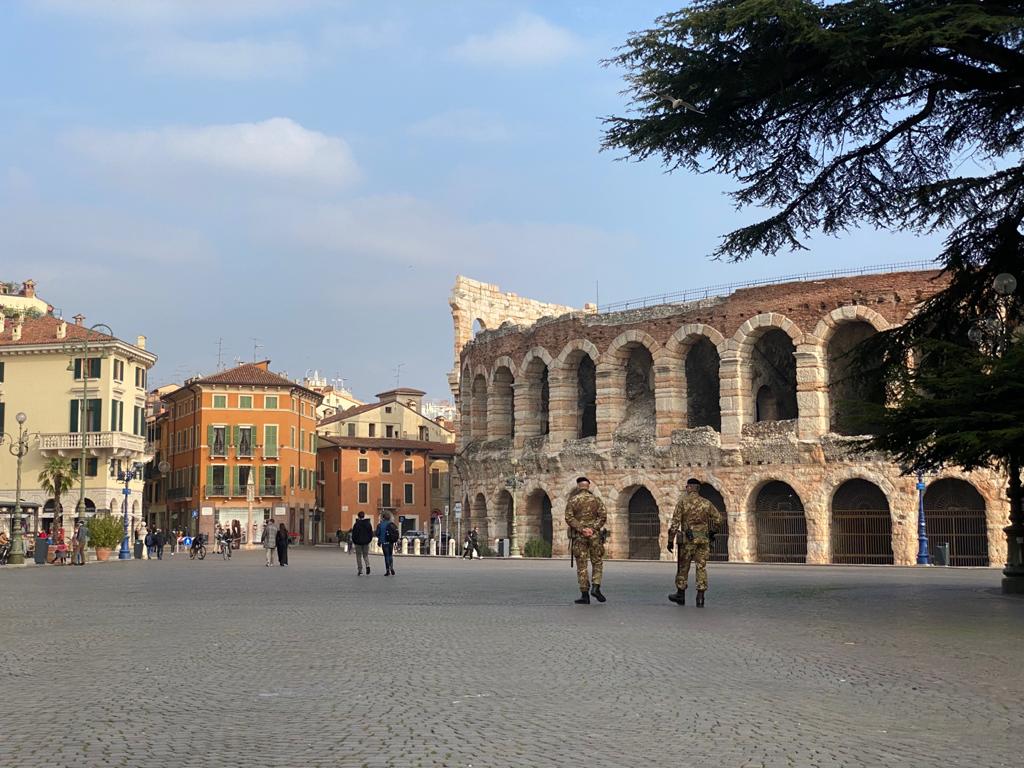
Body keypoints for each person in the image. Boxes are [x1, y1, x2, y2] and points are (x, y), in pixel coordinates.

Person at [667, 478, 723, 607]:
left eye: (687, 487)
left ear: (689, 487)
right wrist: (712, 532)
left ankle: (680, 594)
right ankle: (700, 597)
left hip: (687, 541)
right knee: (701, 567)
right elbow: (719, 519)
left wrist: (670, 541)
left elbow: (675, 524)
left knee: (683, 567)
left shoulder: (682, 503)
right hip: (703, 540)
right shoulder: (706, 503)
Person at [565, 477, 608, 604]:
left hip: (579, 536)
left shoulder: (573, 500)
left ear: (578, 487)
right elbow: (603, 516)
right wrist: (592, 529)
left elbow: (569, 517)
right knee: (597, 562)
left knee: (582, 565)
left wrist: (582, 529)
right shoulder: (596, 499)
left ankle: (585, 595)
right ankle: (596, 587)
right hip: (594, 536)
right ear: (588, 486)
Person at [350, 511, 374, 575]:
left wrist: (354, 541)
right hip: (366, 542)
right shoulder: (368, 524)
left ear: (358, 516)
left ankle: (360, 570)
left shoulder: (356, 524)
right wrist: (369, 540)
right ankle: (367, 565)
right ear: (364, 516)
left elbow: (354, 534)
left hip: (358, 543)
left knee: (358, 556)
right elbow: (371, 533)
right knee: (365, 555)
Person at [376, 511, 398, 576]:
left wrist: (380, 540)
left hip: (384, 542)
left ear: (383, 518)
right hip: (391, 542)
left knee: (386, 556)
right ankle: (392, 567)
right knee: (390, 555)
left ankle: (387, 570)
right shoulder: (392, 524)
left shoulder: (380, 525)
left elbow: (377, 533)